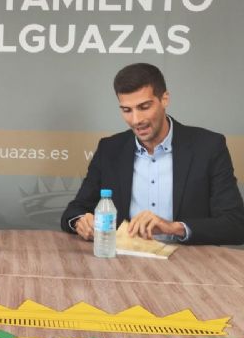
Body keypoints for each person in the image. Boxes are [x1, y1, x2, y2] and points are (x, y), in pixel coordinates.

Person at [61, 62, 244, 245]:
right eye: (127, 110)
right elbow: (74, 210)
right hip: (122, 258)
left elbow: (236, 224)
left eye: (144, 107)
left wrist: (174, 228)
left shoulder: (208, 147)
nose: (136, 120)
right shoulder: (109, 149)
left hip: (187, 260)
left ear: (164, 99)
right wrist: (80, 222)